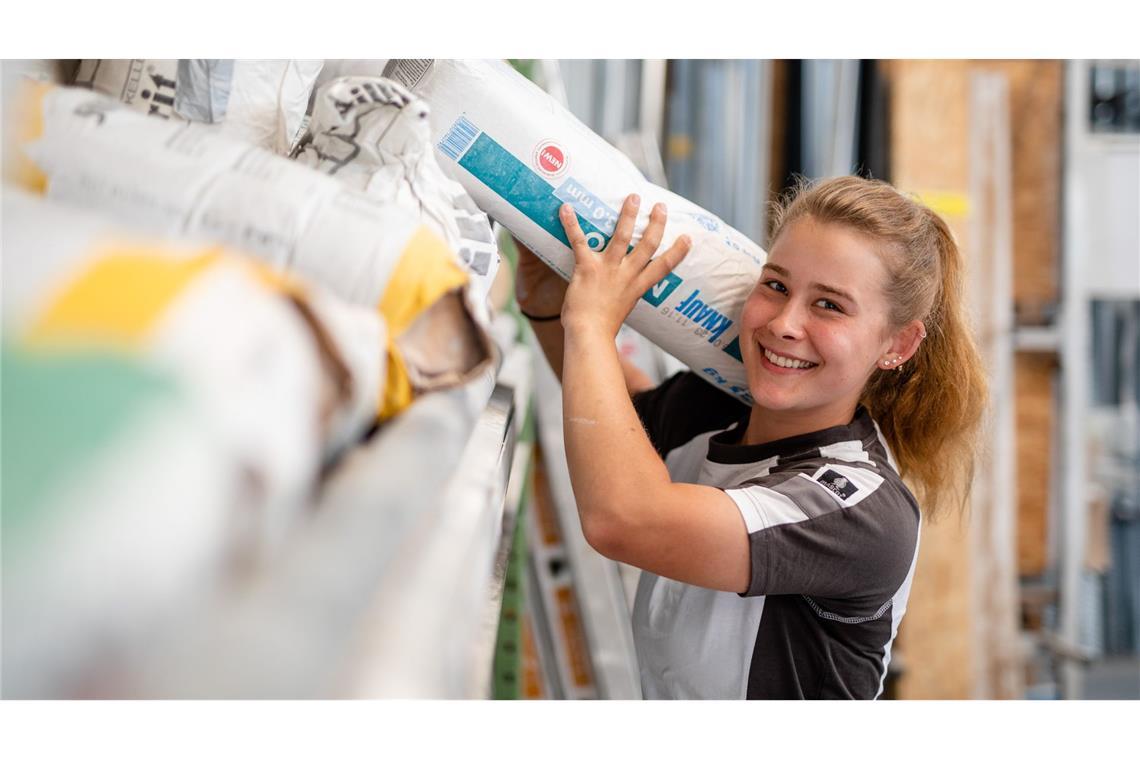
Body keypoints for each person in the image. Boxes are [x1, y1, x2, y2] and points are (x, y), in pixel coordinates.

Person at [514, 175, 987, 699]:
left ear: (898, 342)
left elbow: (623, 517)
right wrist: (549, 303)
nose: (785, 323)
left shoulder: (859, 510)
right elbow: (618, 420)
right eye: (777, 286)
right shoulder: (720, 407)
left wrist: (590, 323)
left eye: (829, 305)